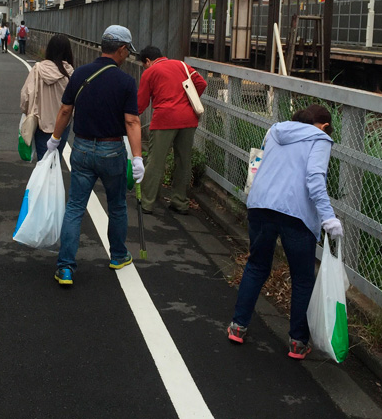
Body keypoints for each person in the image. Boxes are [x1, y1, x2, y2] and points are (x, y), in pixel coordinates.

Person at [227, 104, 344, 360]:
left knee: (257, 265)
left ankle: (238, 326)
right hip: (296, 213)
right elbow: (315, 178)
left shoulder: (275, 130)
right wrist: (328, 217)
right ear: (324, 126)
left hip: (261, 204)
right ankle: (298, 342)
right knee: (302, 278)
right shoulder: (320, 139)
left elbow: (261, 163)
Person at [46, 25, 145, 287]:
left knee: (75, 207)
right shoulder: (125, 82)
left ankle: (65, 268)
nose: (127, 55)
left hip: (80, 148)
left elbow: (65, 110)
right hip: (111, 150)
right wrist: (137, 158)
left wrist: (55, 139)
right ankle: (118, 256)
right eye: (127, 51)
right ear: (121, 49)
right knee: (117, 206)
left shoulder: (79, 73)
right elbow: (132, 121)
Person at [136, 46, 207, 216]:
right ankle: (180, 202)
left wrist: (131, 116)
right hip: (188, 118)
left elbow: (141, 102)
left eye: (144, 65)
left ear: (148, 61)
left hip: (165, 119)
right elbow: (201, 83)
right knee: (183, 161)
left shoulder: (150, 72)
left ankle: (147, 202)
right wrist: (187, 100)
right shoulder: (182, 65)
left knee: (156, 160)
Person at [20, 34, 74, 160]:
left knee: (42, 161)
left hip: (41, 123)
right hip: (62, 125)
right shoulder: (70, 73)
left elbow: (25, 96)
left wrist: (27, 111)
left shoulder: (38, 69)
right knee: (56, 160)